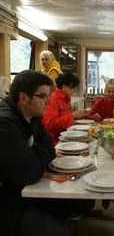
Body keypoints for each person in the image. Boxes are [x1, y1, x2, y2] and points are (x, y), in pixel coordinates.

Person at [0, 70, 73, 236]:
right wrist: (39, 152)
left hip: (23, 189)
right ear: (24, 98)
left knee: (77, 203)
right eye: (43, 96)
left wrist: (35, 153)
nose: (49, 101)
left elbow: (50, 148)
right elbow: (30, 173)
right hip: (9, 201)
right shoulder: (5, 122)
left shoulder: (33, 115)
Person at [43, 72, 84, 144]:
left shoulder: (65, 98)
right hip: (55, 141)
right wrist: (72, 116)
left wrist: (81, 115)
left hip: (65, 136)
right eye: (73, 88)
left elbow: (66, 118)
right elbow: (50, 124)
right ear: (64, 87)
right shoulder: (54, 98)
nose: (74, 91)